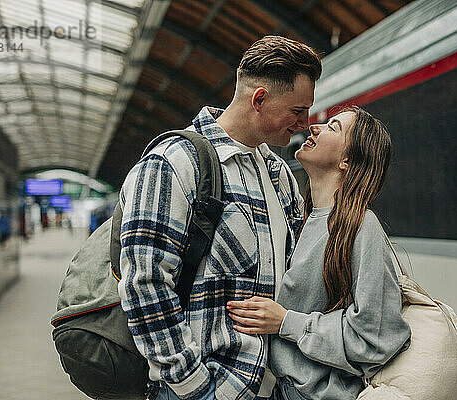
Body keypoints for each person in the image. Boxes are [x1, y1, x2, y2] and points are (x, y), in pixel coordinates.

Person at [118, 36, 321, 400]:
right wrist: (191, 384)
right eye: (296, 110)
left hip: (274, 387)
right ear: (259, 99)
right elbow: (144, 283)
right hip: (207, 387)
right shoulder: (174, 163)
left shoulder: (279, 173)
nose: (304, 123)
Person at [227, 106, 412, 400]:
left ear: (347, 161)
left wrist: (286, 322)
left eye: (332, 127)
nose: (315, 127)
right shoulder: (299, 221)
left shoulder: (361, 227)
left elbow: (376, 338)